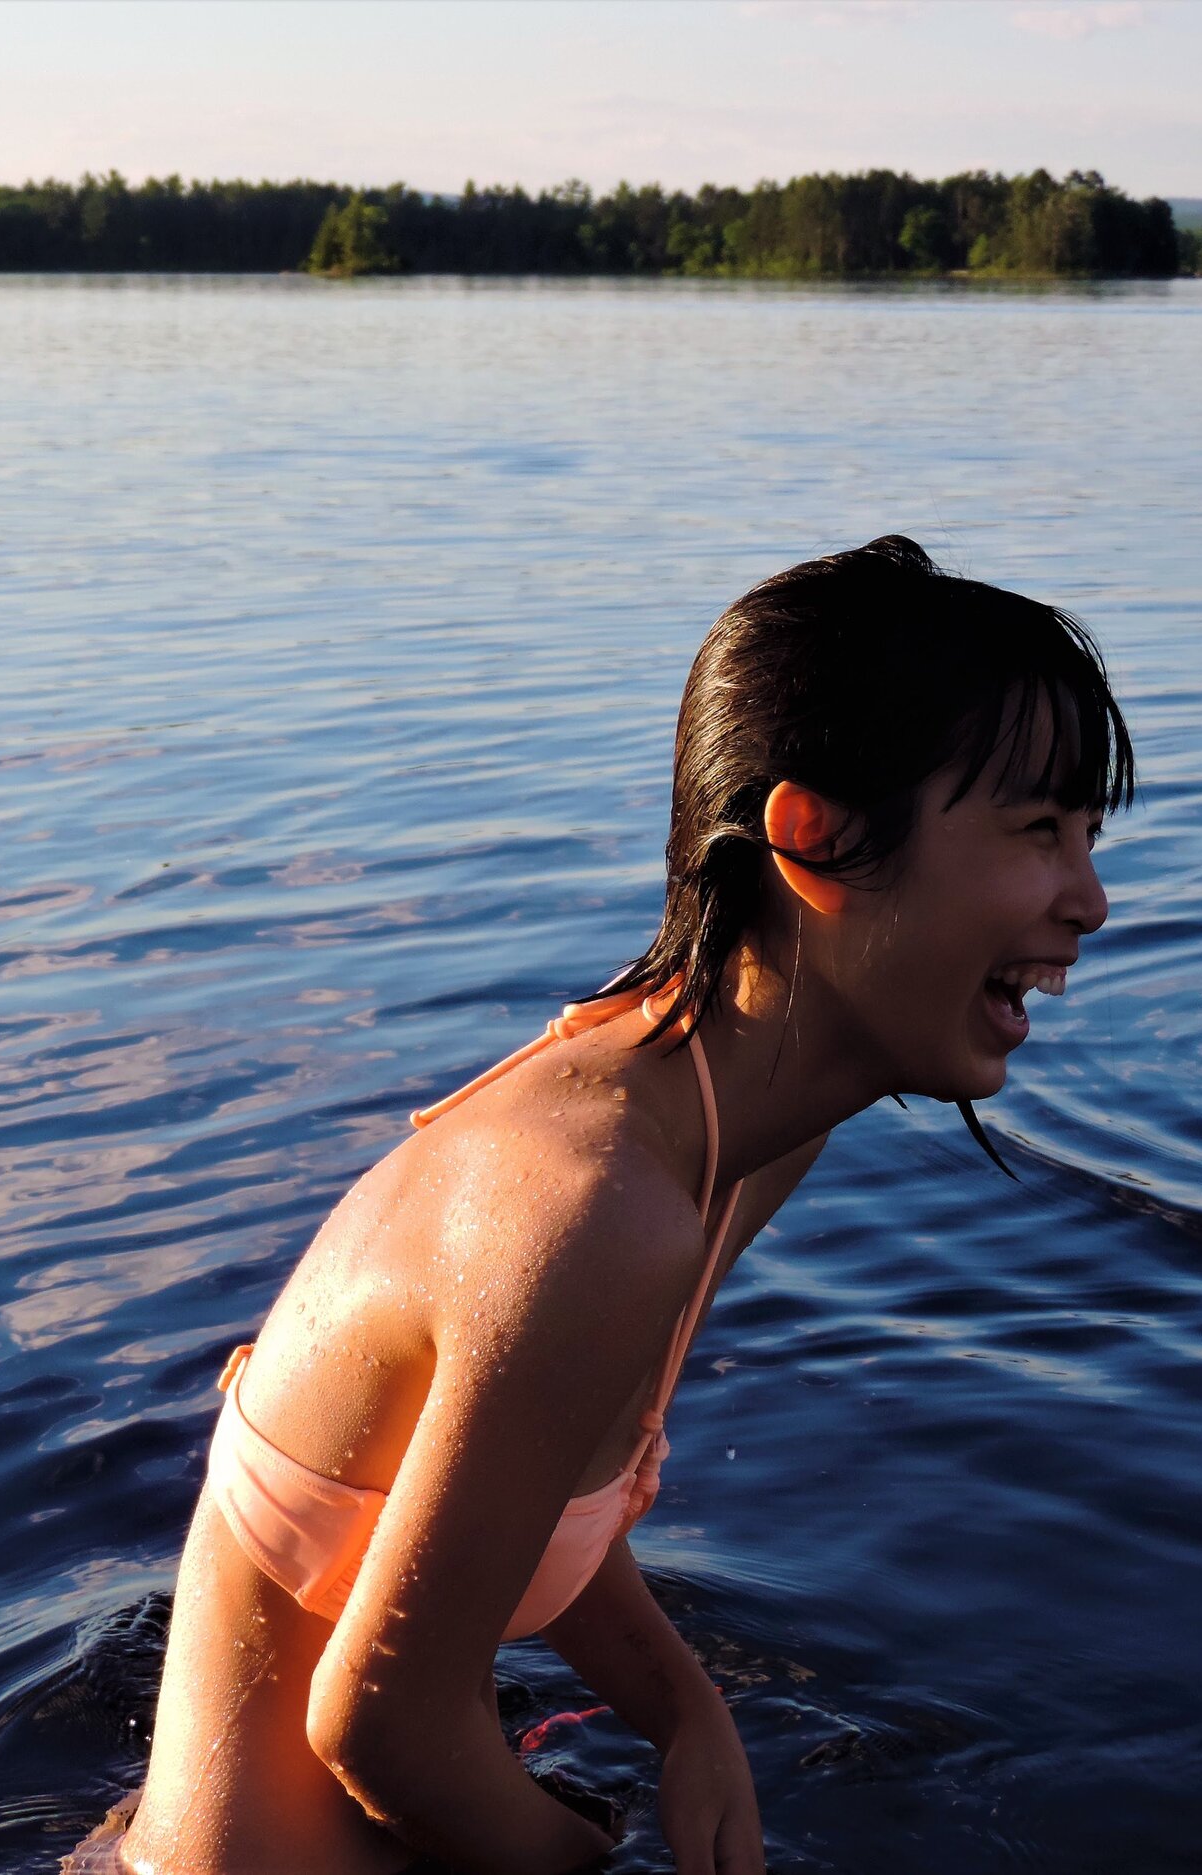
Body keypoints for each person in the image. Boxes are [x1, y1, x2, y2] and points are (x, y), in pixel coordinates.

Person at [74, 536, 1135, 1875]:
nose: (1090, 901)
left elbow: (506, 1510)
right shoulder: (597, 1210)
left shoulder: (726, 1135)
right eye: (1039, 831)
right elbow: (383, 1728)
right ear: (816, 836)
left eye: (1090, 835)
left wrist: (682, 1709)